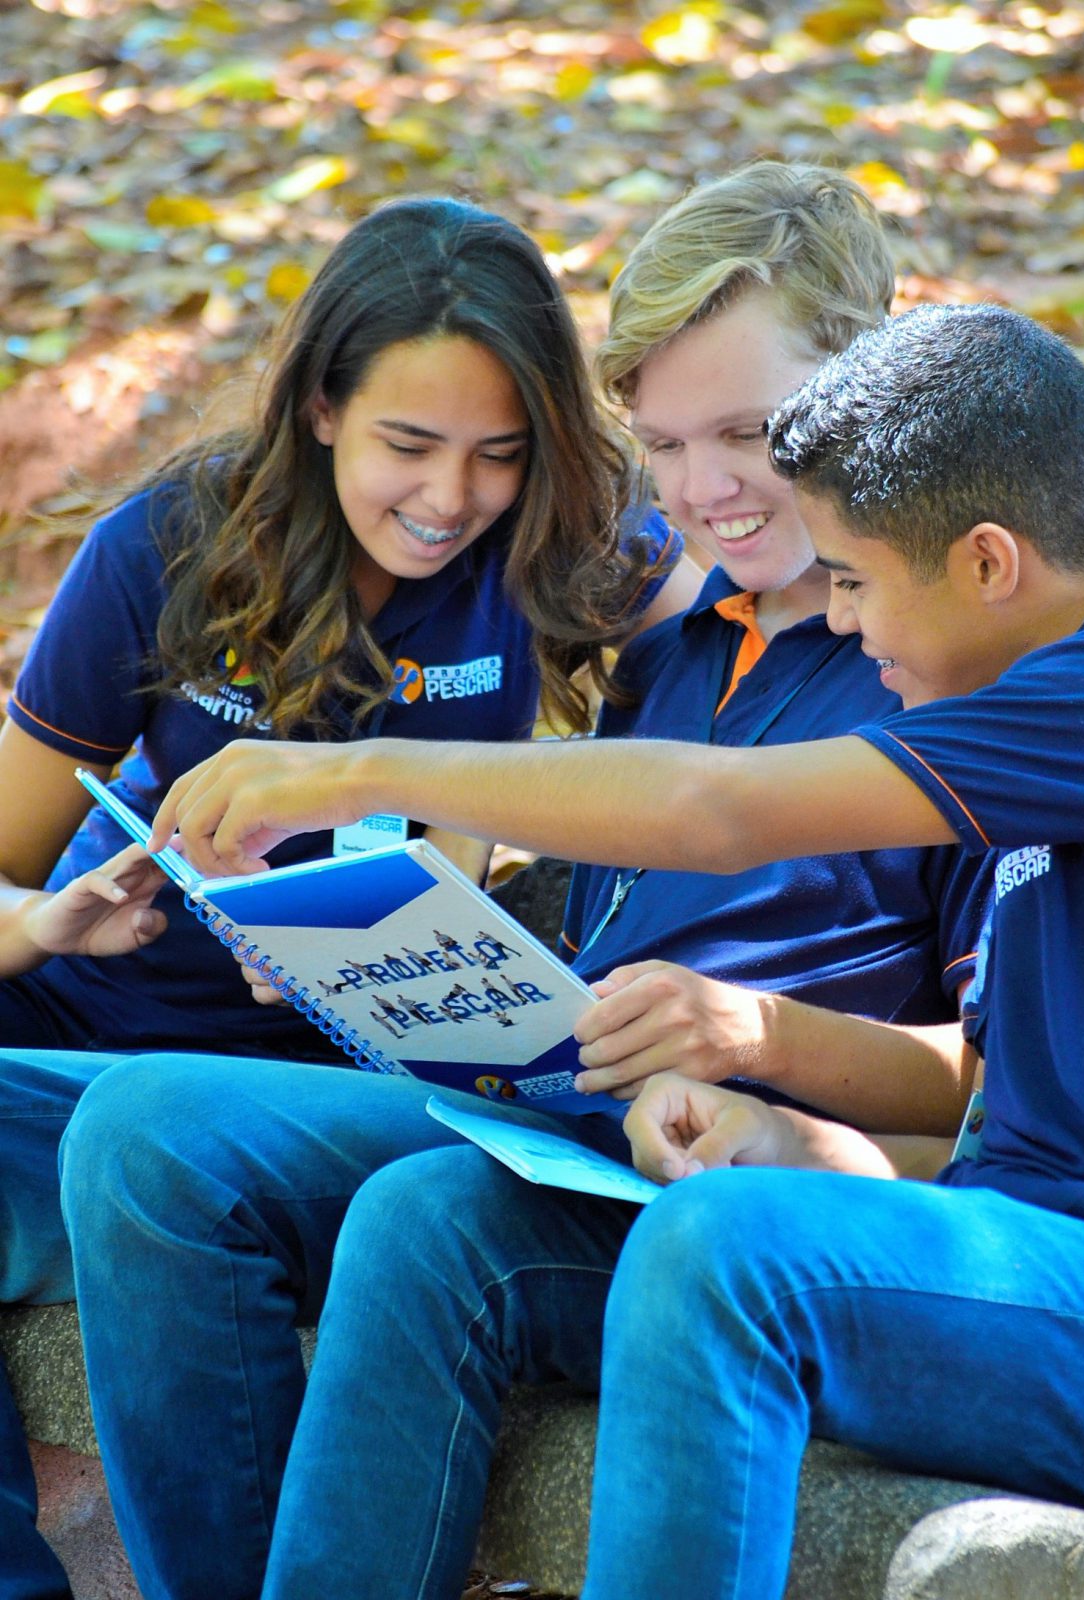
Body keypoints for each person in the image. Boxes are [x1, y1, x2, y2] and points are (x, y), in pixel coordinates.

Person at [126, 302, 1084, 1598]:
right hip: (1007, 1268)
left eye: (853, 580)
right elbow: (991, 1116)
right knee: (445, 1218)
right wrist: (773, 1132)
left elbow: (720, 810)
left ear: (985, 563)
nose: (844, 626)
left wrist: (345, 766)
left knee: (728, 1258)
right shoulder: (1042, 731)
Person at [52, 165, 994, 1600]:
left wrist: (759, 1056)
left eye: (750, 433)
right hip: (546, 1115)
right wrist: (383, 949)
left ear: (873, 385)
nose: (702, 491)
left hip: (744, 1187)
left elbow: (1002, 1082)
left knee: (425, 1223)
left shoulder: (962, 678)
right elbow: (611, 879)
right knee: (146, 1130)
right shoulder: (677, 651)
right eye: (664, 445)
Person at [0, 195, 688, 1600]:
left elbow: (752, 692)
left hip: (366, 1084)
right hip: (105, 1040)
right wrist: (42, 923)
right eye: (408, 445)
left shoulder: (576, 535)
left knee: (177, 1158)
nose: (450, 499)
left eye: (497, 453)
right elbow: (8, 857)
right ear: (319, 407)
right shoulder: (169, 548)